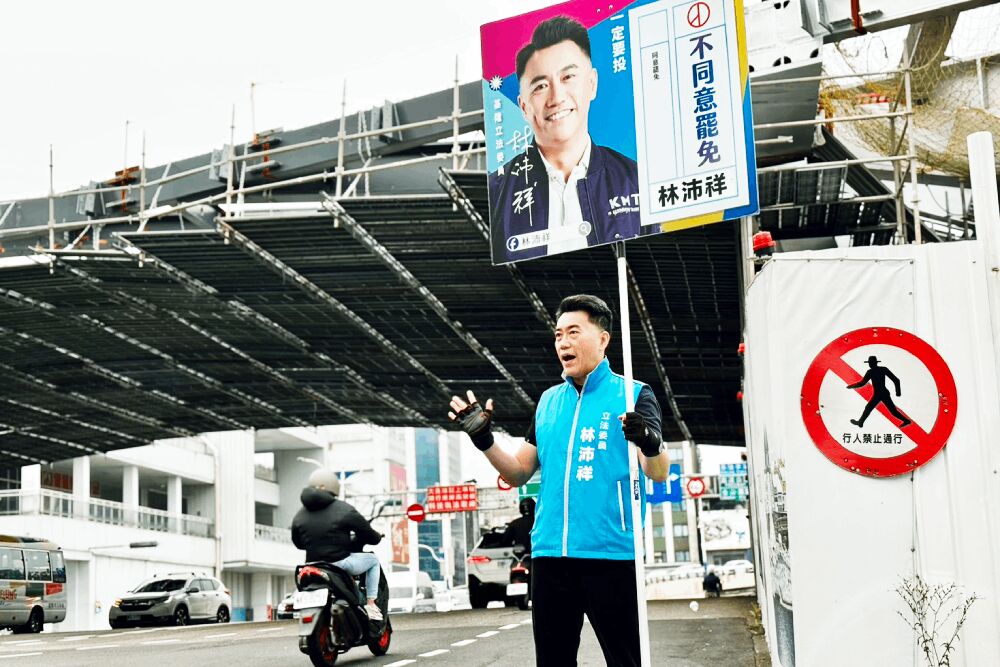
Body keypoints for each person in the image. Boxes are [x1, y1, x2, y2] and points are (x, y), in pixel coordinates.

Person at [449, 294, 670, 667]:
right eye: (558, 335)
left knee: (626, 660)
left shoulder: (633, 395)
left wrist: (648, 439)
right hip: (550, 556)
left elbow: (658, 471)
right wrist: (485, 441)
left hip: (611, 554)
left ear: (603, 339)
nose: (563, 343)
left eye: (573, 332)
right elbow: (518, 471)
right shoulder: (548, 402)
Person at [489, 16, 644, 264]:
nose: (556, 97)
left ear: (592, 84)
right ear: (524, 107)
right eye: (540, 86)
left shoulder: (634, 180)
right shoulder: (498, 191)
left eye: (568, 77)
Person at [290, 468, 385, 621]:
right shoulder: (343, 509)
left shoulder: (300, 514)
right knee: (373, 561)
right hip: (339, 564)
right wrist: (377, 537)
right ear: (333, 486)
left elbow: (298, 544)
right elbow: (369, 535)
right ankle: (371, 604)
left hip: (312, 566)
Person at [846, 355, 911, 428]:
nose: (869, 364)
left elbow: (862, 383)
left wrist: (851, 386)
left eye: (870, 363)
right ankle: (860, 422)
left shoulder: (871, 372)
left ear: (873, 363)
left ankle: (906, 421)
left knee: (891, 411)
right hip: (881, 393)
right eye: (869, 363)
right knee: (871, 408)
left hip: (880, 394)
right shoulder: (882, 369)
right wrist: (898, 393)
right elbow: (896, 380)